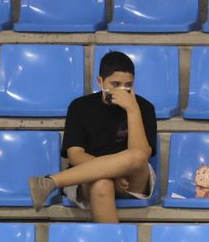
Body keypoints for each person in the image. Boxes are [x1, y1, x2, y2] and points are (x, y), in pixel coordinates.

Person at [28, 51, 156, 223]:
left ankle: (51, 181)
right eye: (115, 84)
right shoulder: (80, 107)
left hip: (132, 179)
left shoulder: (144, 107)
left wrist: (132, 109)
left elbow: (141, 155)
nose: (122, 90)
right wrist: (111, 172)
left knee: (137, 155)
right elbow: (75, 155)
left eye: (128, 85)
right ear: (100, 82)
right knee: (102, 184)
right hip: (87, 179)